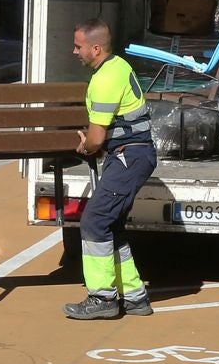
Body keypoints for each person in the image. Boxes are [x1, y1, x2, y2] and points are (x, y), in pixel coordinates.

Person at [64, 19, 156, 320]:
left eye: (78, 46)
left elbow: (97, 137)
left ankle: (102, 298)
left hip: (129, 156)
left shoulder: (104, 79)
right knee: (110, 226)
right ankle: (135, 296)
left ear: (95, 48)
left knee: (94, 221)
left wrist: (86, 146)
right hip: (133, 155)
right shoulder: (117, 66)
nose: (74, 51)